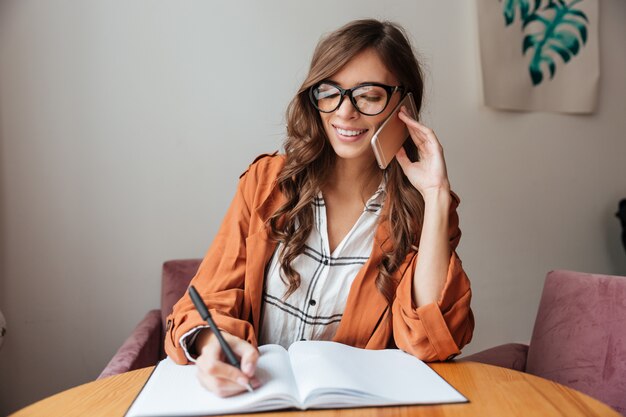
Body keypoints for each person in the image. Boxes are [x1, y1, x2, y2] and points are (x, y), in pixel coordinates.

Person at [165, 19, 474, 397]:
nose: (345, 112)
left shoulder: (420, 212)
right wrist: (214, 347)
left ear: (404, 104)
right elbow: (210, 298)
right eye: (330, 92)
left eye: (369, 95)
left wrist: (437, 193)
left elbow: (430, 341)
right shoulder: (267, 184)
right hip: (256, 399)